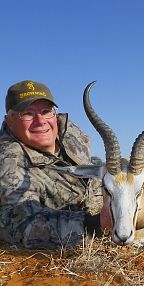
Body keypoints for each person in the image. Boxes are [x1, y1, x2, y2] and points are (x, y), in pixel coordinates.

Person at [0, 80, 103, 249]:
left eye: (46, 111)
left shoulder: (71, 134)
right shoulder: (8, 160)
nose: (40, 121)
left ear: (54, 114)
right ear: (10, 120)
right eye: (27, 114)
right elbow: (19, 224)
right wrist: (94, 225)